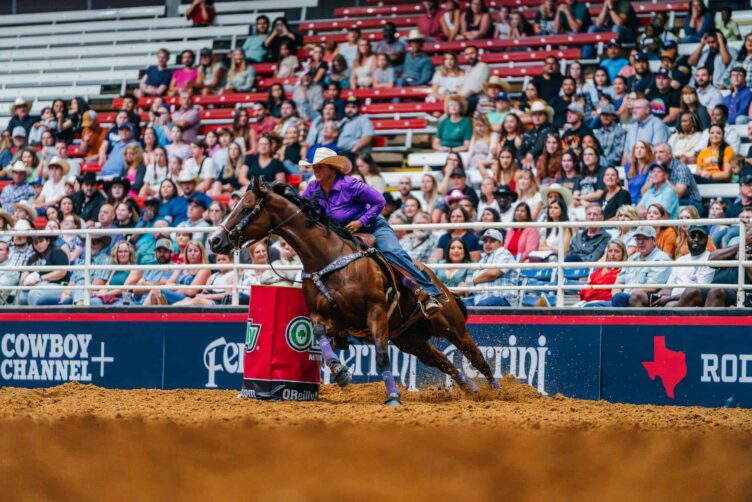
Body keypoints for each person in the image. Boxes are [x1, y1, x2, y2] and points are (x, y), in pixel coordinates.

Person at [300, 148, 443, 315]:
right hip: (342, 234)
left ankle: (429, 291)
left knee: (392, 251)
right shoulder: (312, 189)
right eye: (314, 167)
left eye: (320, 166)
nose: (315, 170)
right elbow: (302, 210)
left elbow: (379, 201)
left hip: (373, 226)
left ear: (332, 168)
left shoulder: (350, 184)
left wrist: (361, 221)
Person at [609, 226, 672, 307]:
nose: (640, 242)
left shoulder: (662, 259)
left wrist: (622, 296)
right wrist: (615, 297)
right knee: (592, 306)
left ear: (654, 241)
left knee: (619, 298)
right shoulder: (632, 258)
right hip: (622, 299)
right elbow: (618, 284)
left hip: (641, 301)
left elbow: (651, 287)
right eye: (638, 239)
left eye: (645, 239)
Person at [462, 229, 517, 307]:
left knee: (483, 305)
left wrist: (469, 283)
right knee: (459, 306)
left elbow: (492, 274)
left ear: (500, 243)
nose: (487, 244)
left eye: (492, 241)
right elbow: (470, 281)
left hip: (501, 297)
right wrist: (463, 287)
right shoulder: (482, 260)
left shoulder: (504, 254)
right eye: (485, 241)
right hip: (479, 298)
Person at [650, 142, 702, 214]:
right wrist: (652, 179)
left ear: (670, 154)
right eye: (655, 153)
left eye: (661, 152)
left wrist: (665, 180)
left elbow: (679, 194)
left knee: (663, 204)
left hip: (691, 203)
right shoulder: (656, 169)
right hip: (668, 201)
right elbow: (643, 192)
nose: (657, 155)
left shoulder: (681, 168)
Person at [20, 233, 70, 306]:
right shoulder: (32, 258)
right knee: (22, 296)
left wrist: (40, 278)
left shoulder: (57, 252)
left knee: (33, 294)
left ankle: (36, 317)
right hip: (35, 285)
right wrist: (25, 281)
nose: (38, 244)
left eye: (41, 241)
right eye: (36, 243)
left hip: (56, 285)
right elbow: (25, 272)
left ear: (48, 241)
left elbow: (61, 272)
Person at [579, 239, 628, 305]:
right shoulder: (600, 269)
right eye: (610, 251)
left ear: (623, 254)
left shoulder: (625, 270)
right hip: (589, 301)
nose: (613, 254)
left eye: (617, 251)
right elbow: (586, 290)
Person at [622, 98, 669, 166]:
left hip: (648, 167)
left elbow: (657, 150)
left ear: (647, 110)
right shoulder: (632, 127)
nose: (634, 111)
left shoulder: (657, 124)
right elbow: (626, 152)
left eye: (638, 108)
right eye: (633, 108)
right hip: (631, 168)